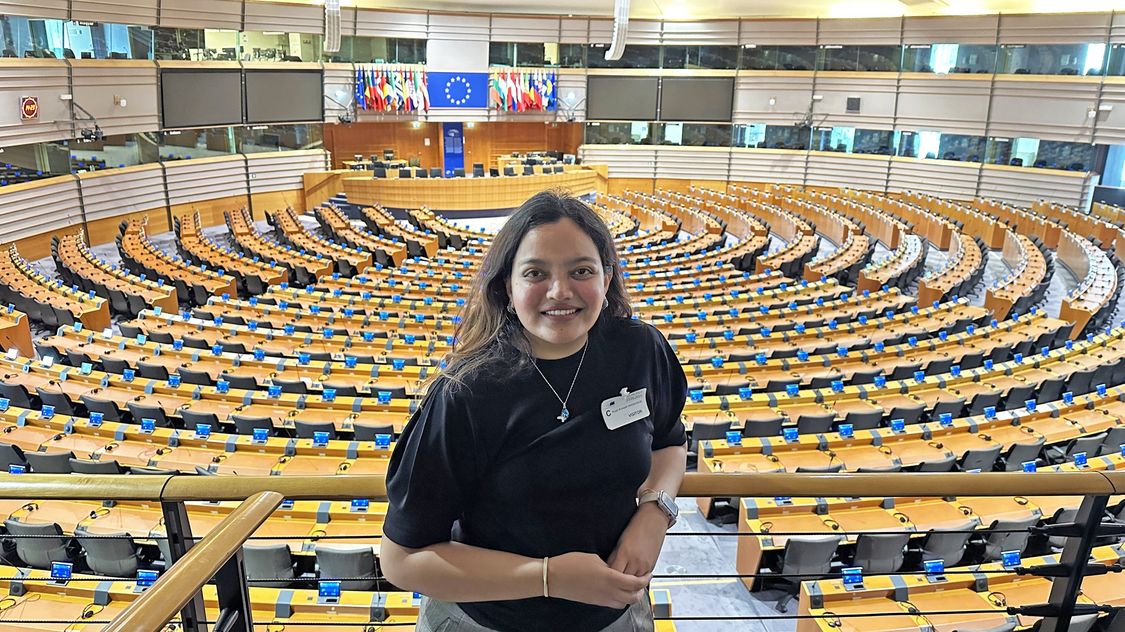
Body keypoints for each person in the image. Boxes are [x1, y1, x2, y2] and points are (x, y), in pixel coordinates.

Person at [381, 190, 688, 632]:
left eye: (581, 270)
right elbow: (401, 561)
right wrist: (549, 578)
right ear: (507, 286)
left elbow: (670, 442)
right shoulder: (466, 392)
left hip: (617, 617)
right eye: (536, 273)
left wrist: (654, 514)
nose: (560, 292)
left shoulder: (640, 350)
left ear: (607, 275)